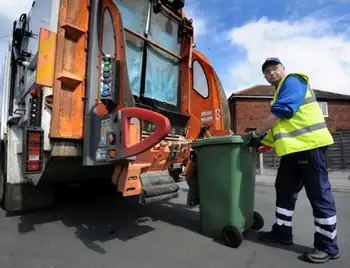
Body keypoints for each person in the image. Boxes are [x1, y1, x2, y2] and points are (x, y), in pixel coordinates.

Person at [248, 58, 340, 264]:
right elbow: (277, 129)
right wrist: (257, 145)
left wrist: (257, 132)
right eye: (267, 72)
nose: (271, 73)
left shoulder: (293, 80)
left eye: (275, 69)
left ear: (283, 69)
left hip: (310, 146)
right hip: (292, 151)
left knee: (319, 195)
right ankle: (282, 232)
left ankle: (328, 246)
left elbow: (283, 111)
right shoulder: (278, 93)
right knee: (284, 190)